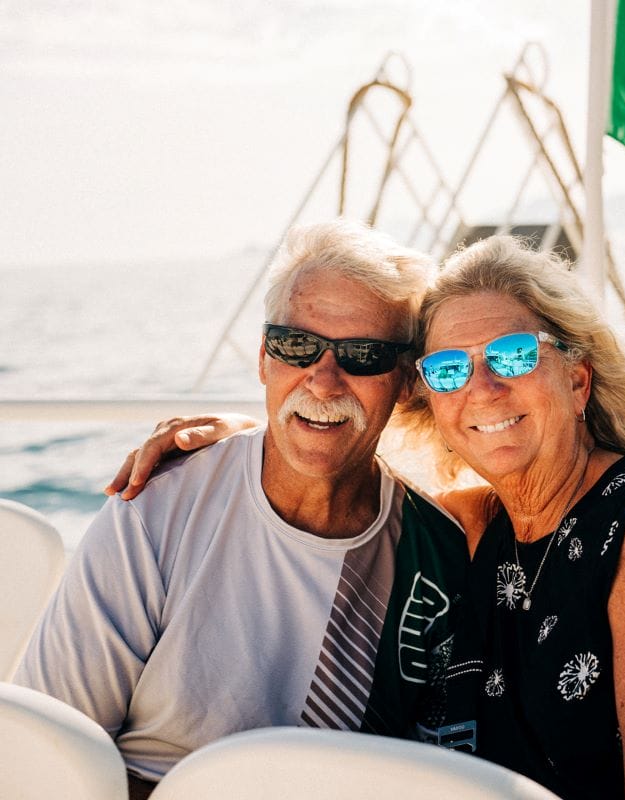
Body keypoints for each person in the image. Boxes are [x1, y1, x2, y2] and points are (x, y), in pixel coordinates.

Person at [105, 235, 625, 800]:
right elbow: (351, 474)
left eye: (512, 355)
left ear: (576, 379)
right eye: (449, 370)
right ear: (432, 405)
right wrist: (258, 433)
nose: (481, 389)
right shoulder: (481, 529)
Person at [16, 220, 467, 798]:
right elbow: (50, 756)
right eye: (296, 345)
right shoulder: (154, 509)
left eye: (363, 355)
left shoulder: (437, 553)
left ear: (406, 383)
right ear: (263, 359)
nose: (324, 380)